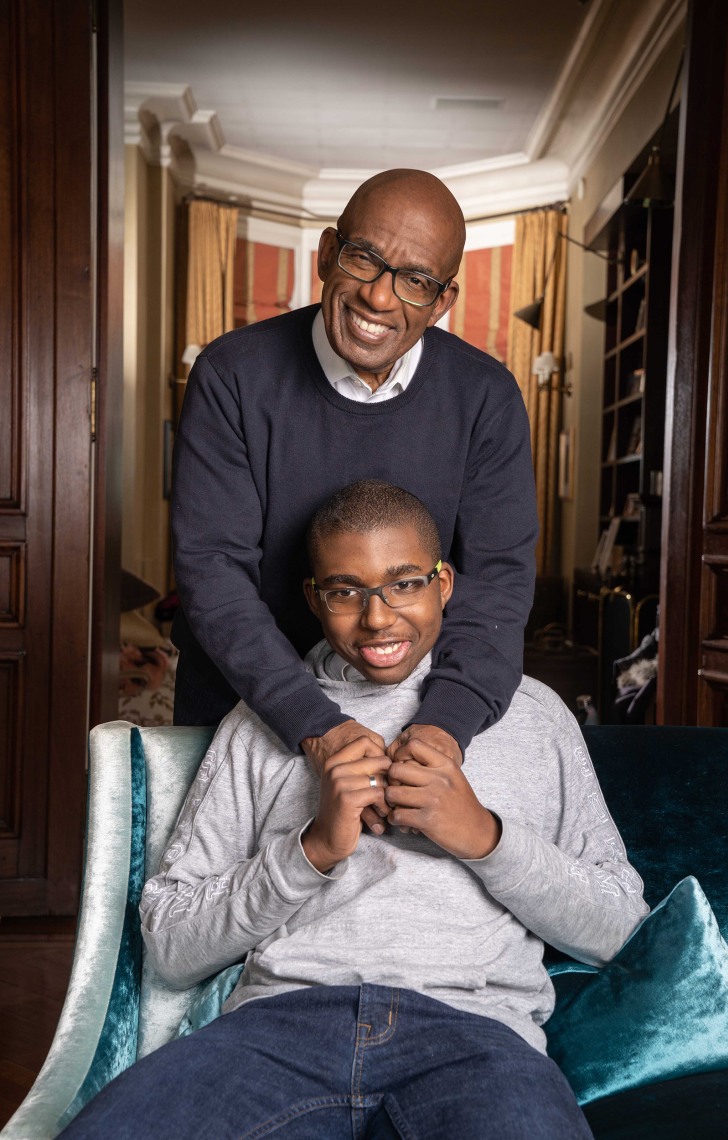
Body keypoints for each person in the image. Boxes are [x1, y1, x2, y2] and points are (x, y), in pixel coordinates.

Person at [64, 481, 647, 1140]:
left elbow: (621, 928)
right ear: (315, 598)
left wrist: (485, 838)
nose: (377, 619)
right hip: (278, 1031)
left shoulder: (534, 715)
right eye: (346, 591)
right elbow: (169, 945)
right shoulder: (261, 724)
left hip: (478, 1040)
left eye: (404, 584)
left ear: (444, 584)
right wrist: (309, 851)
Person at [171, 169, 538, 808]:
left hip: (415, 723)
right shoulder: (231, 375)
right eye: (364, 258)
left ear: (443, 301)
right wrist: (315, 726)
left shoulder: (486, 397)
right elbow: (212, 570)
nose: (379, 298)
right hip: (242, 707)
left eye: (416, 280)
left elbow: (497, 583)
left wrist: (442, 729)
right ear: (325, 255)